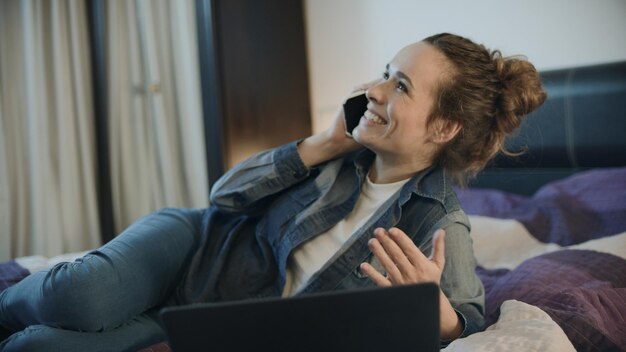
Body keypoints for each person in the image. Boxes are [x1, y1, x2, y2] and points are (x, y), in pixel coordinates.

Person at [0, 32, 546, 351]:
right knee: (78, 295)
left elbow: (470, 323)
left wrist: (441, 315)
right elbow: (225, 196)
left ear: (443, 128)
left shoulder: (438, 226)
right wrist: (327, 140)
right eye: (385, 72)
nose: (374, 90)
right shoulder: (343, 152)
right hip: (193, 245)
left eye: (399, 86)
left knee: (38, 348)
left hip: (214, 319)